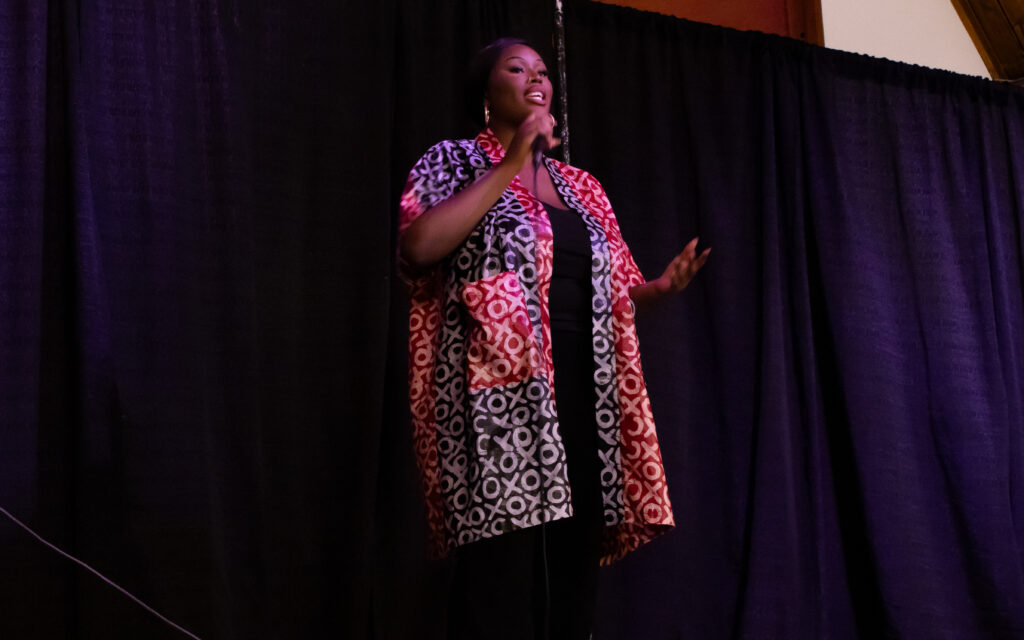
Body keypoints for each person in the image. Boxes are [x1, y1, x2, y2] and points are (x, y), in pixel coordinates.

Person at [398, 37, 709, 640]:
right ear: (486, 95)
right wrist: (513, 160)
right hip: (498, 396)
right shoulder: (453, 160)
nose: (536, 78)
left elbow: (619, 291)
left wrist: (661, 289)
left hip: (585, 388)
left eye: (542, 70)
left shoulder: (582, 188)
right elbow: (418, 247)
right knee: (502, 576)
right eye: (516, 68)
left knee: (572, 564)